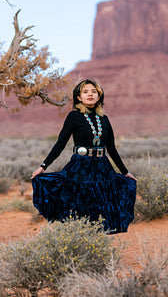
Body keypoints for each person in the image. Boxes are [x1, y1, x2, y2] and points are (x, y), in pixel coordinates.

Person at [31, 79, 137, 234]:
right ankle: (79, 239)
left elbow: (112, 148)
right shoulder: (74, 117)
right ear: (79, 97)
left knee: (102, 205)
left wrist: (125, 172)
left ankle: (96, 244)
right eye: (86, 91)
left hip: (102, 168)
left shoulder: (104, 119)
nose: (90, 94)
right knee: (80, 203)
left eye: (94, 91)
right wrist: (43, 166)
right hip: (80, 167)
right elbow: (60, 143)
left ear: (99, 96)